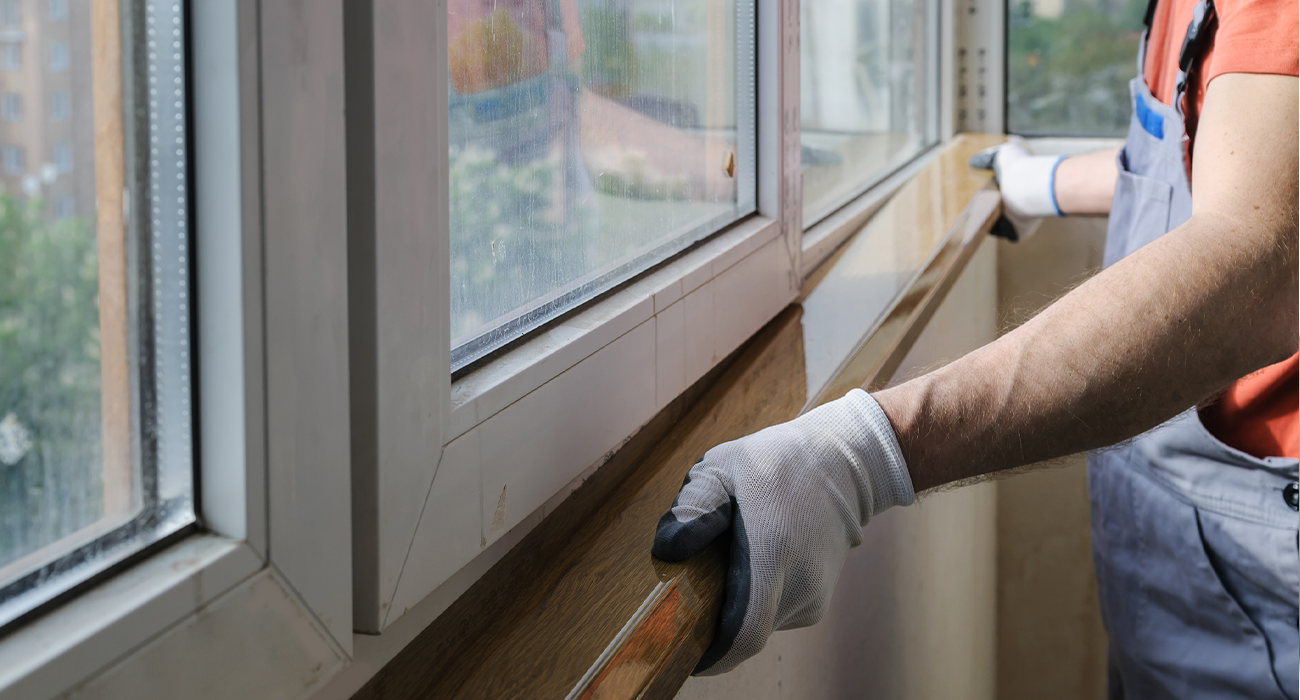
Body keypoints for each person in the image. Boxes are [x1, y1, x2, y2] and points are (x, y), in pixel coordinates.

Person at [651, 0, 1299, 695]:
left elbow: (1262, 265)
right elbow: (1230, 157)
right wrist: (1039, 183)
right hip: (1179, 549)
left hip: (1259, 574)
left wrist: (862, 456)